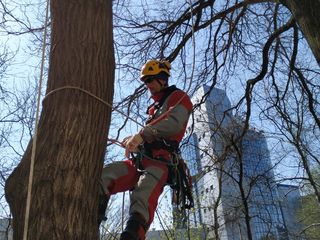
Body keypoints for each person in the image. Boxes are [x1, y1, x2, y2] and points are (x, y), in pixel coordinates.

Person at [98, 59, 193, 240]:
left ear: (162, 79)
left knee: (143, 194)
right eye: (145, 81)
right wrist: (133, 142)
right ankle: (89, 222)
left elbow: (174, 124)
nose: (147, 85)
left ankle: (132, 235)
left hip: (160, 162)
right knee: (105, 176)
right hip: (141, 161)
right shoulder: (154, 108)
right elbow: (148, 135)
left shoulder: (178, 97)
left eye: (150, 80)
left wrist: (142, 135)